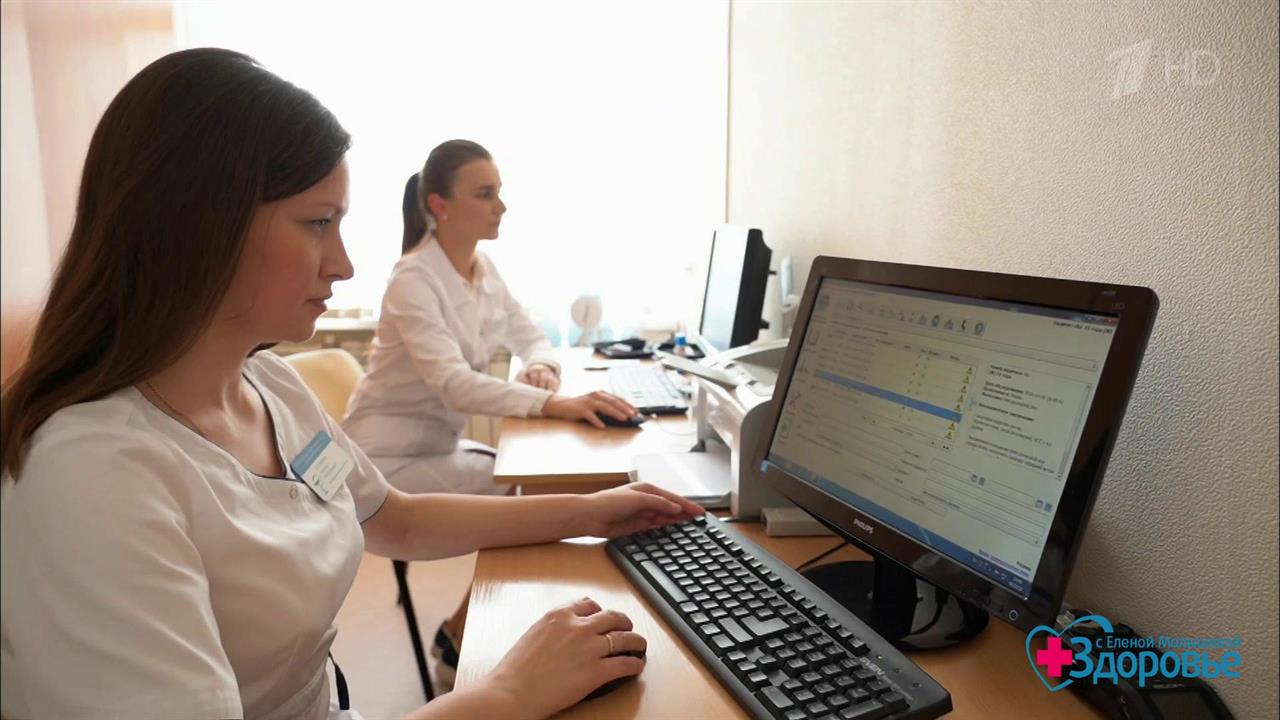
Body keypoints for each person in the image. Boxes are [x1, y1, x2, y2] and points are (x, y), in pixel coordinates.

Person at [0, 48, 702, 720]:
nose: (342, 264)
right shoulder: (95, 471)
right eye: (317, 223)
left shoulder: (270, 387)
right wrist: (509, 695)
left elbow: (397, 519)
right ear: (199, 224)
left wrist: (591, 512)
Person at [341, 140, 641, 685]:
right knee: (530, 497)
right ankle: (464, 636)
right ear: (439, 205)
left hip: (437, 448)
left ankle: (469, 632)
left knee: (533, 486)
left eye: (499, 192)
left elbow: (532, 335)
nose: (501, 206)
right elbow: (454, 385)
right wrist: (554, 403)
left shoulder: (481, 270)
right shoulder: (413, 280)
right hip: (386, 459)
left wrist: (542, 366)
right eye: (485, 194)